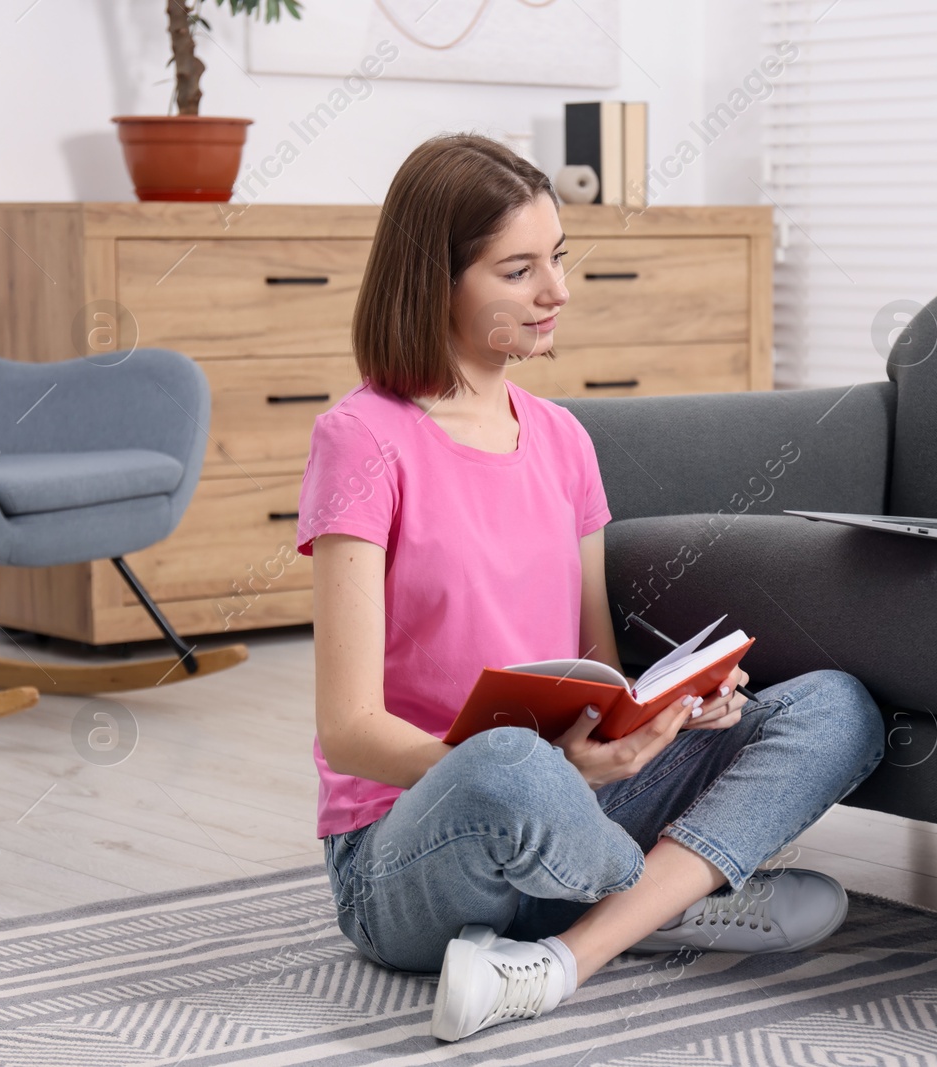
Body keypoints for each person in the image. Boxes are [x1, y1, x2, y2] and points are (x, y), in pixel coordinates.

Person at [300, 132, 886, 1044]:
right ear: (435, 281)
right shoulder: (362, 439)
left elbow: (598, 674)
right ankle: (668, 894)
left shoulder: (564, 439)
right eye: (518, 270)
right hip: (411, 848)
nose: (556, 292)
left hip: (578, 799)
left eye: (560, 260)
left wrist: (667, 716)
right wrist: (555, 773)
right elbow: (349, 729)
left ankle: (566, 953)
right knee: (506, 761)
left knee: (837, 707)